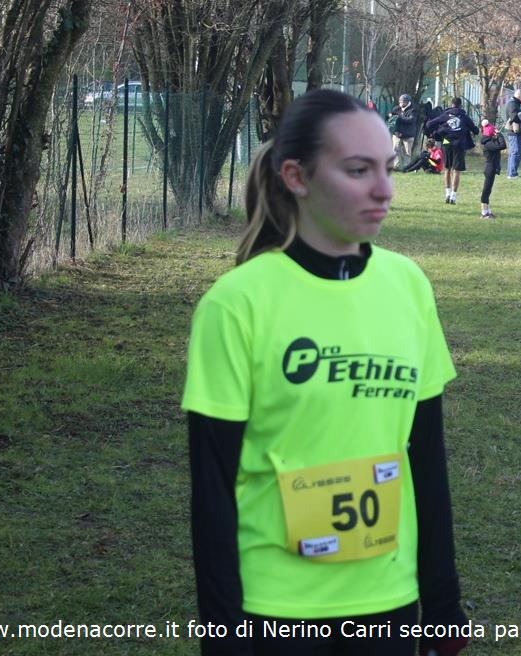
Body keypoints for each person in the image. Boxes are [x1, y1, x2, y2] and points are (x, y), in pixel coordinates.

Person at [182, 89, 467, 656]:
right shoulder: (236, 305)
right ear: (296, 177)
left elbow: (426, 459)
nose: (384, 189)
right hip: (275, 610)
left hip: (388, 603)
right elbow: (212, 490)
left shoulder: (408, 286)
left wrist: (442, 608)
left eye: (388, 168)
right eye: (358, 170)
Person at [426, 98, 480, 205]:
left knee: (447, 169)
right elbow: (476, 130)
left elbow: (429, 124)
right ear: (460, 105)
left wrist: (438, 131)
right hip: (459, 144)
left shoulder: (445, 115)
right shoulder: (464, 116)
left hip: (446, 143)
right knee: (456, 170)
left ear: (451, 104)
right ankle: (453, 196)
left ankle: (447, 193)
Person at [478, 121, 506, 219]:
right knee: (486, 191)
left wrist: (497, 136)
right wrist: (499, 134)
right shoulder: (488, 144)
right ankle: (484, 213)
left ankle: (488, 211)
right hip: (489, 168)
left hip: (492, 168)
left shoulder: (490, 141)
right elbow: (502, 145)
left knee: (488, 191)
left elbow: (499, 144)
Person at [389, 93, 421, 170]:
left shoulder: (413, 110)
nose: (401, 103)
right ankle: (396, 166)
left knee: (407, 153)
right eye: (400, 101)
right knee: (395, 150)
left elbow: (411, 120)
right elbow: (391, 118)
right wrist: (390, 115)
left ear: (407, 102)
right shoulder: (396, 109)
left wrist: (399, 118)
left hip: (408, 135)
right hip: (397, 134)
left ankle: (406, 167)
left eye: (403, 101)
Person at [502, 88, 521, 178]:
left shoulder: (515, 103)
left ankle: (512, 172)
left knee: (514, 152)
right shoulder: (513, 104)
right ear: (519, 95)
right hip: (514, 131)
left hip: (516, 131)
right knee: (515, 152)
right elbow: (514, 117)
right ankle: (512, 174)